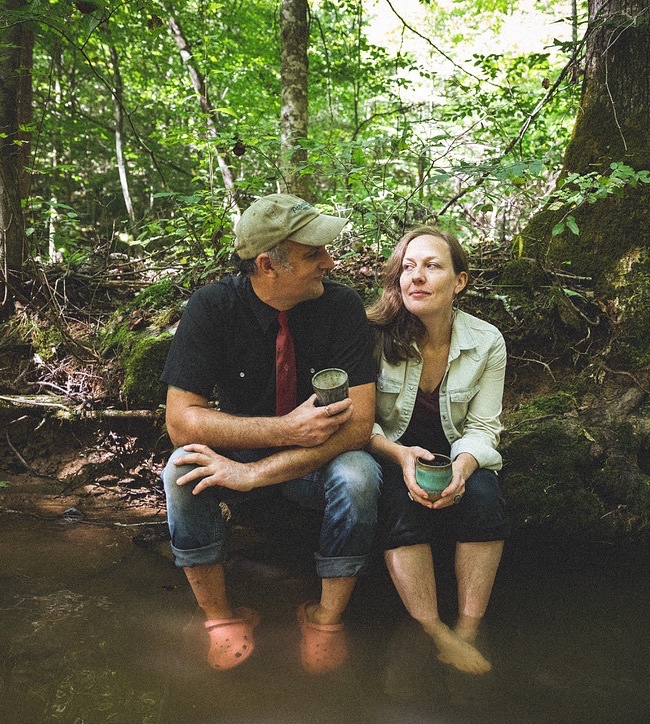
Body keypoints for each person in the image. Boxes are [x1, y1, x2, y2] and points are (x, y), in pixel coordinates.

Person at [160, 193, 381, 673]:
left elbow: (360, 426)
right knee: (180, 469)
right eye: (312, 254)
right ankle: (220, 617)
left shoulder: (341, 307)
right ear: (267, 264)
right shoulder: (212, 307)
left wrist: (254, 473)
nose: (329, 261)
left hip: (313, 467)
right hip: (240, 458)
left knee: (360, 474)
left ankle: (325, 618)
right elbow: (181, 421)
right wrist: (282, 429)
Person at [366, 226, 507, 675]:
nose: (417, 277)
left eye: (432, 266)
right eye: (408, 267)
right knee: (399, 504)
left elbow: (484, 426)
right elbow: (357, 422)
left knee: (485, 497)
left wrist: (464, 468)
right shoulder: (372, 335)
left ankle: (467, 629)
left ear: (459, 281)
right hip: (388, 453)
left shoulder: (486, 341)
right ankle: (435, 632)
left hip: (454, 455)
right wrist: (400, 456)